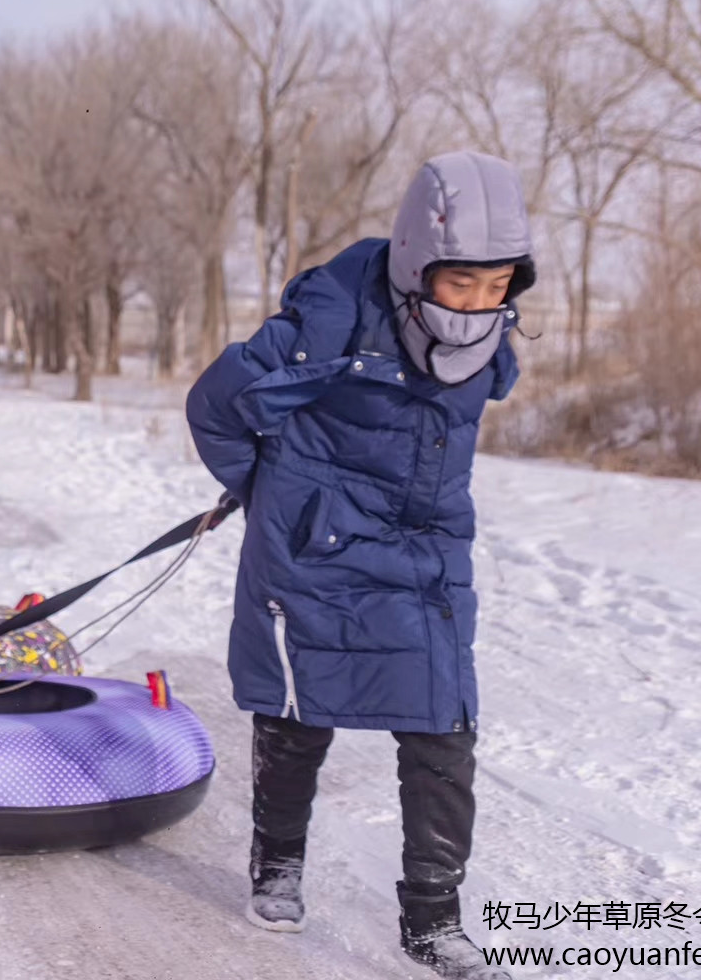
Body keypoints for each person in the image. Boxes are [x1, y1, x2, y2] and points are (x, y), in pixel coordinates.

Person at [185, 152, 535, 980]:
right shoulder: (333, 317)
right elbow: (216, 408)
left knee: (445, 725)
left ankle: (434, 920)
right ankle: (278, 866)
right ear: (418, 261)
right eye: (463, 285)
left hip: (428, 549)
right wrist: (273, 495)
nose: (481, 304)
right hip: (318, 547)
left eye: (499, 287)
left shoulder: (487, 336)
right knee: (301, 714)